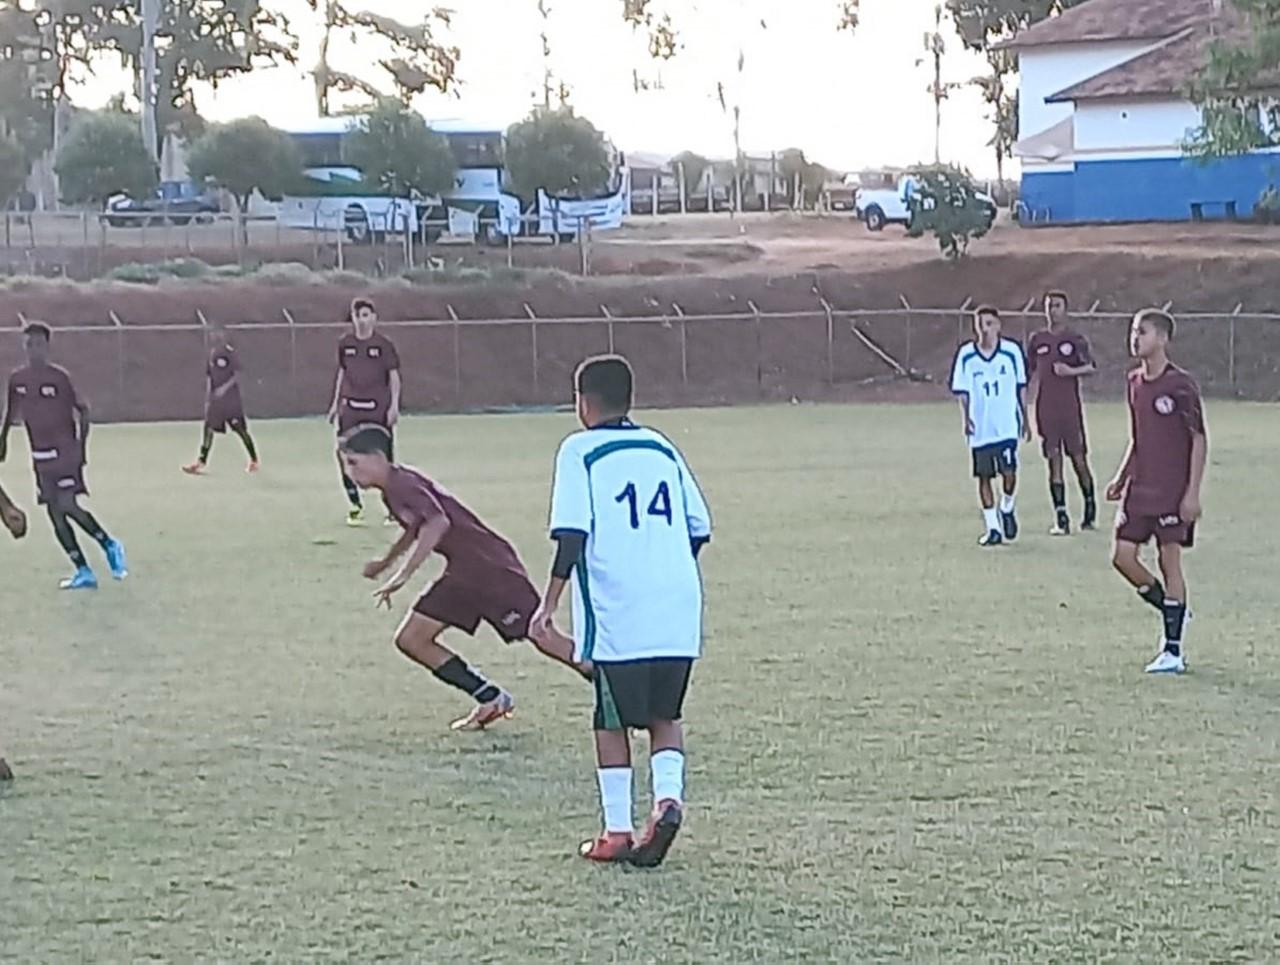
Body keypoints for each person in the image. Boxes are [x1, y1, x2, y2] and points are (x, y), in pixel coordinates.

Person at [530, 354, 712, 868]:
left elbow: (572, 534)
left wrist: (549, 603)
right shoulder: (661, 445)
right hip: (678, 601)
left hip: (621, 607)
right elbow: (699, 526)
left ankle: (616, 831)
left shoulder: (580, 450)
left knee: (610, 719)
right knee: (665, 714)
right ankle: (668, 800)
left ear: (583, 402)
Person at [340, 427, 585, 732]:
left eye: (354, 463)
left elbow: (437, 522)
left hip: (490, 570)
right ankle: (490, 698)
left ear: (378, 457)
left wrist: (403, 575)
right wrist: (385, 563)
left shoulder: (403, 484)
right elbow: (416, 526)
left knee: (543, 637)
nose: (350, 473)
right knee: (412, 639)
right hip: (464, 573)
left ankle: (619, 690)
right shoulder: (392, 489)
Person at [1106, 308, 1207, 675]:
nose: (1135, 338)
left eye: (1143, 332)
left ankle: (1173, 651)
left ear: (1162, 339)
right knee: (1122, 557)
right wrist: (1121, 477)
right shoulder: (1134, 381)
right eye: (1134, 331)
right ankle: (1172, 610)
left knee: (1169, 560)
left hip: (1171, 490)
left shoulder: (1181, 385)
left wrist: (1192, 494)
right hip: (1140, 488)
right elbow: (1138, 437)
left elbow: (1198, 439)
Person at [0, 322, 127, 589]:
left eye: (39, 344)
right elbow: (10, 413)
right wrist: (3, 441)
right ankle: (83, 571)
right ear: (24, 346)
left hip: (65, 453)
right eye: (29, 344)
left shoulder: (59, 378)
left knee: (67, 504)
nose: (34, 349)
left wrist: (81, 448)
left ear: (47, 347)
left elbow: (84, 410)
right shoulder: (18, 380)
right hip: (40, 456)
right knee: (55, 514)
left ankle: (109, 544)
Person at [950, 307, 1030, 547]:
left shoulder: (1011, 352)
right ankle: (993, 528)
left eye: (989, 323)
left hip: (1005, 426)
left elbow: (1021, 386)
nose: (984, 329)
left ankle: (1007, 506)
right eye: (980, 324)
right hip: (981, 428)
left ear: (998, 326)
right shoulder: (966, 355)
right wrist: (966, 419)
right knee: (984, 477)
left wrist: (1025, 418)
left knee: (1009, 474)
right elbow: (963, 391)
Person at [1027, 291, 1098, 535]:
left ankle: (1089, 509)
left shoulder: (1075, 339)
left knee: (1079, 460)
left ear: (1065, 309)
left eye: (1057, 305)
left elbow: (1091, 367)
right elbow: (1027, 372)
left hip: (1070, 410)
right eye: (1048, 306)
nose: (1052, 310)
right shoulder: (1037, 340)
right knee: (1053, 461)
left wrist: (1070, 371)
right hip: (1046, 410)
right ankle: (1061, 518)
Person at [329, 298, 401, 526]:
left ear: (374, 318)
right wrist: (335, 404)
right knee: (344, 454)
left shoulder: (384, 345)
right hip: (351, 409)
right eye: (357, 315)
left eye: (365, 315)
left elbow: (394, 377)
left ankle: (391, 509)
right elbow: (342, 373)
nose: (361, 320)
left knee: (383, 460)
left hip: (377, 410)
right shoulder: (345, 344)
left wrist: (394, 406)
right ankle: (355, 505)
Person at [183, 323, 260, 475]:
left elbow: (238, 374)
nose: (214, 336)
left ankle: (254, 460)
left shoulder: (229, 353)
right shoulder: (211, 354)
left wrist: (224, 389)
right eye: (212, 333)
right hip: (216, 402)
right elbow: (210, 377)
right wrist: (209, 397)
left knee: (240, 430)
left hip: (231, 402)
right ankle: (200, 462)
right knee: (208, 429)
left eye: (217, 333)